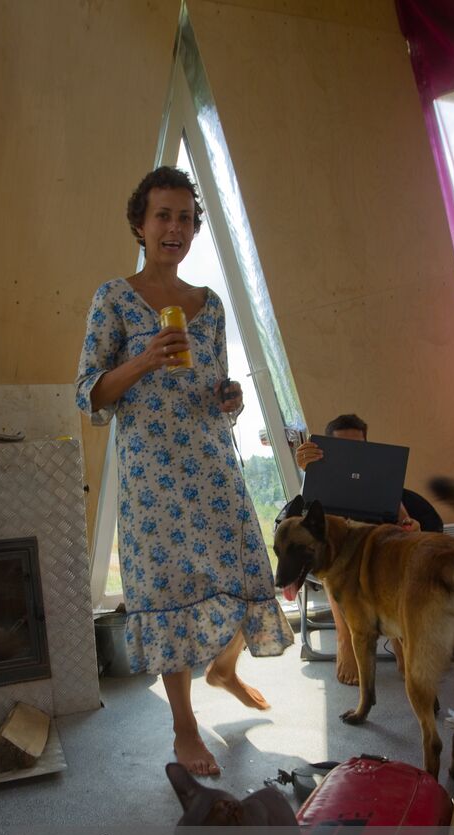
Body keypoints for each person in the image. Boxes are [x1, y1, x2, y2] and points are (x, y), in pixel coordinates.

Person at [76, 166, 293, 777]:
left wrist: (232, 398)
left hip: (211, 463)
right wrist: (144, 359)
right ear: (140, 225)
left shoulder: (211, 304)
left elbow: (217, 382)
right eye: (163, 216)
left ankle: (223, 668)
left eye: (186, 218)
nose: (175, 227)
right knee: (167, 591)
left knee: (244, 572)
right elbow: (89, 393)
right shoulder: (113, 298)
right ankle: (184, 726)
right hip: (151, 477)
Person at [294, 413, 421, 686]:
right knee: (335, 562)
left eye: (357, 446)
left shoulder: (376, 470)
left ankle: (399, 636)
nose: (351, 452)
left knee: (397, 553)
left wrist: (409, 523)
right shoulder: (321, 470)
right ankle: (346, 637)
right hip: (338, 547)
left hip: (376, 542)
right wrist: (308, 469)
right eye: (343, 446)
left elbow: (399, 511)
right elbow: (307, 514)